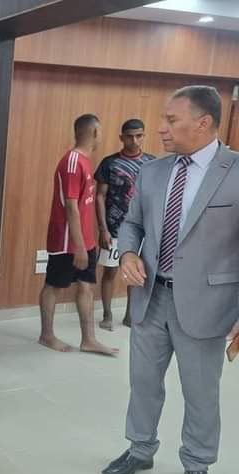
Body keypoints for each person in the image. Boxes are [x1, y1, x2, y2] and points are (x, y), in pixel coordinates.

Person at [102, 86, 239, 474]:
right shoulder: (153, 171)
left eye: (171, 120)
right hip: (150, 298)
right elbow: (132, 224)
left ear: (203, 122)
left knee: (201, 392)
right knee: (143, 382)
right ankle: (140, 448)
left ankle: (197, 465)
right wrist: (127, 253)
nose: (160, 128)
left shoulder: (235, 171)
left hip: (207, 305)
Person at [39, 114, 118, 356]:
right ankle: (46, 335)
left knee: (86, 286)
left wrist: (87, 242)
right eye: (101, 132)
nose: (101, 136)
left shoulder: (85, 161)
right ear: (94, 132)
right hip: (67, 241)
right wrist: (79, 246)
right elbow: (71, 207)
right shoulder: (72, 161)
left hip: (86, 239)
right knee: (54, 285)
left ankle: (89, 340)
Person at [95, 119, 155, 331]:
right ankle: (107, 314)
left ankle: (130, 315)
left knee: (136, 273)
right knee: (110, 272)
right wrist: (103, 229)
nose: (134, 140)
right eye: (129, 136)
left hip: (142, 230)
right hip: (114, 229)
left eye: (139, 136)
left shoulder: (152, 164)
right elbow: (100, 196)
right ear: (122, 138)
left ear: (144, 136)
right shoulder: (109, 163)